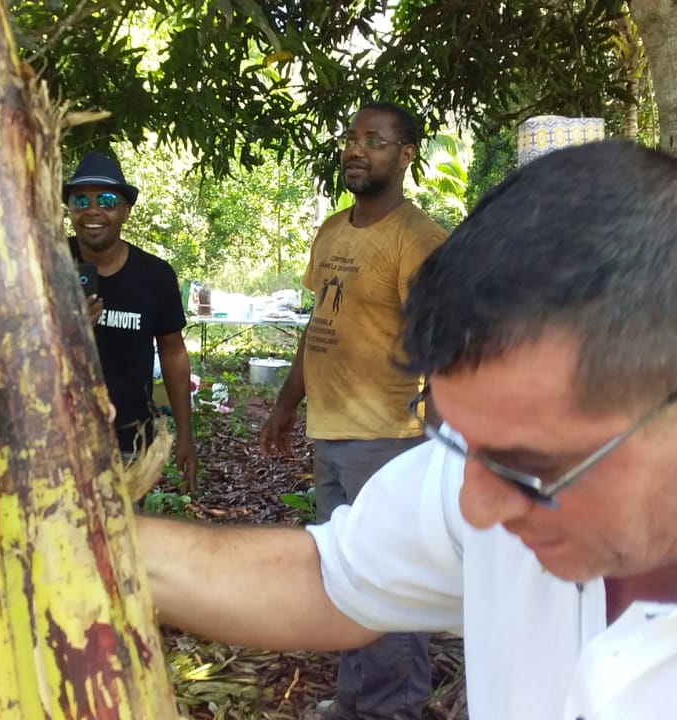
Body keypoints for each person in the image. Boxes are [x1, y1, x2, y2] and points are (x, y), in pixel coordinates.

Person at [0, 141, 677, 716]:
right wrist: (83, 548)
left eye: (526, 470)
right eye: (452, 438)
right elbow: (333, 576)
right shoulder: (494, 469)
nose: (474, 506)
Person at [258, 101, 448, 720]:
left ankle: (395, 709)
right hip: (335, 434)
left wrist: (445, 441)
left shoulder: (418, 241)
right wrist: (287, 405)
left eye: (375, 140)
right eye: (350, 137)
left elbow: (443, 345)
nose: (356, 149)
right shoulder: (334, 229)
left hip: (390, 438)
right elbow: (322, 322)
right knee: (348, 576)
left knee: (390, 581)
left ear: (406, 154)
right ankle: (355, 699)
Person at [63, 151, 196, 488]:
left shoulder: (155, 275)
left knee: (123, 536)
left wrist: (185, 435)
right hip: (56, 440)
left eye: (106, 200)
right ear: (70, 210)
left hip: (129, 441)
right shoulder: (46, 265)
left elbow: (173, 353)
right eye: (81, 200)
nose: (93, 210)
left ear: (125, 210)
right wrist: (68, 329)